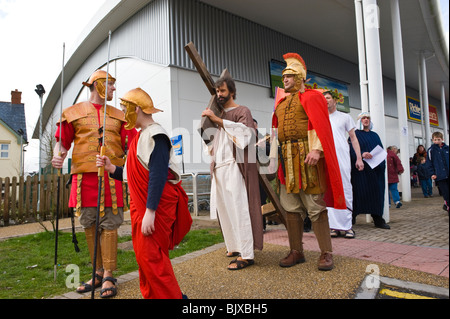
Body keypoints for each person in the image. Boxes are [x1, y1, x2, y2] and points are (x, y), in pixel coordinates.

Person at [97, 88, 192, 298]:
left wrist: (151, 211)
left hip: (154, 206)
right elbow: (135, 173)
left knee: (152, 257)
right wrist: (112, 169)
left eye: (125, 109)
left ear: (136, 109)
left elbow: (157, 174)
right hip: (145, 205)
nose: (123, 114)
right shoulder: (141, 137)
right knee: (144, 256)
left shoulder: (156, 135)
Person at [51, 69, 137, 298]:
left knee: (109, 222)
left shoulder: (120, 115)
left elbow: (133, 145)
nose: (113, 89)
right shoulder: (72, 112)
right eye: (110, 84)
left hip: (111, 177)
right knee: (89, 223)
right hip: (83, 179)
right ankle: (97, 271)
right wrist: (57, 154)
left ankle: (108, 274)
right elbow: (62, 142)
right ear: (97, 85)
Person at [270, 53, 346, 271]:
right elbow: (276, 133)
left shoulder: (313, 97)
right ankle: (297, 251)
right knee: (291, 207)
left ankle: (326, 253)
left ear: (300, 77)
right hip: (286, 159)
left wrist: (316, 149)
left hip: (308, 158)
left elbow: (321, 126)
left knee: (314, 206)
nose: (284, 79)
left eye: (289, 76)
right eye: (284, 76)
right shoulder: (281, 104)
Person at [202, 76, 263, 270]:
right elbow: (211, 143)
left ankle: (246, 254)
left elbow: (246, 135)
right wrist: (208, 125)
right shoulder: (217, 113)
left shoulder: (241, 110)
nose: (220, 95)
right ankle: (234, 246)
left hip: (234, 167)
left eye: (223, 91)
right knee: (226, 210)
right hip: (219, 167)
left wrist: (217, 120)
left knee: (239, 209)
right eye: (217, 91)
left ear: (232, 92)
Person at [324, 90, 364, 239]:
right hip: (326, 158)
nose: (326, 101)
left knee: (345, 187)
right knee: (329, 190)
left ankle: (347, 227)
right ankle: (333, 227)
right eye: (324, 99)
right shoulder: (321, 118)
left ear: (335, 101)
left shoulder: (345, 117)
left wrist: (359, 158)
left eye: (328, 98)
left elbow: (353, 138)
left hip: (342, 158)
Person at [350, 112, 390, 229]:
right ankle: (351, 218)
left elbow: (381, 151)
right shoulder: (355, 134)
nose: (366, 120)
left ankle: (378, 219)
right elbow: (350, 151)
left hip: (376, 170)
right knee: (358, 193)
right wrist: (362, 154)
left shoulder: (375, 135)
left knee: (377, 194)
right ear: (359, 121)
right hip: (361, 171)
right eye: (363, 118)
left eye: (368, 118)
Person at [426, 131, 449, 213]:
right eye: (435, 139)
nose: (437, 141)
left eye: (438, 139)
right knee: (446, 193)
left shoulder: (447, 148)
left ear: (442, 139)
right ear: (432, 140)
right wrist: (432, 173)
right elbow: (429, 163)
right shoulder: (430, 151)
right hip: (440, 175)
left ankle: (446, 204)